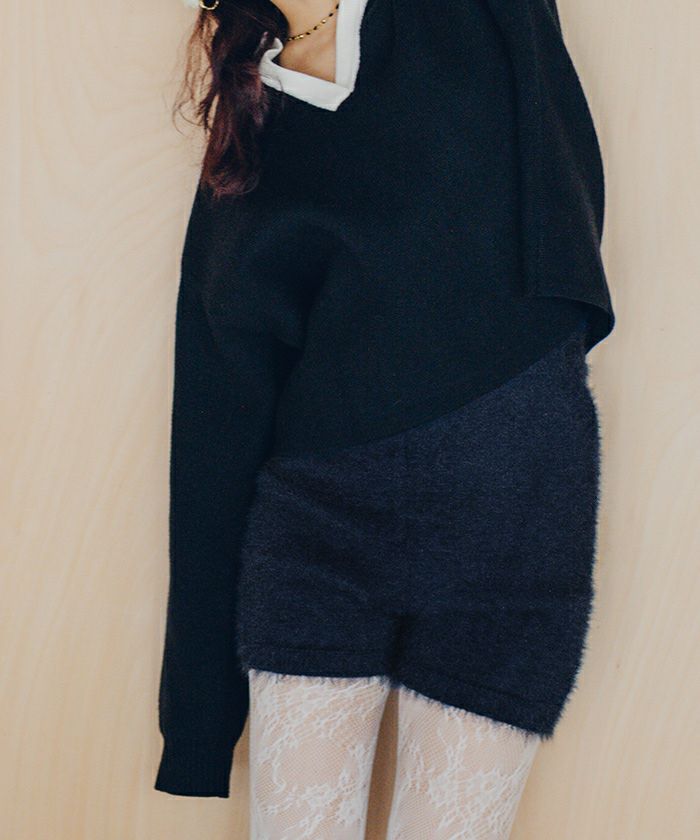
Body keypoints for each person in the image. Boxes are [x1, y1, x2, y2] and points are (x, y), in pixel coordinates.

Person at [154, 1, 616, 837]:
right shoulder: (253, 117)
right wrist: (197, 725)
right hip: (315, 541)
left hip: (511, 528)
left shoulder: (475, 17)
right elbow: (216, 417)